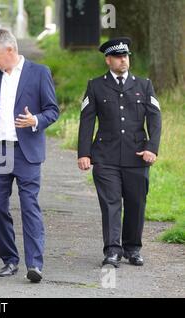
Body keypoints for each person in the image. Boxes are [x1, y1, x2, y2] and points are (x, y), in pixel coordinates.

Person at [0, 30, 59, 283]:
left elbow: (52, 110)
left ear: (10, 51)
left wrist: (35, 119)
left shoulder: (39, 72)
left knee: (29, 207)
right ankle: (9, 259)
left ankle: (34, 264)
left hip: (27, 152)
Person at [77, 37, 162, 268]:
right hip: (105, 157)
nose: (123, 60)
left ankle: (132, 248)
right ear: (108, 60)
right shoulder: (95, 86)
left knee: (136, 203)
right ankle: (113, 250)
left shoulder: (144, 85)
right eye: (118, 57)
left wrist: (151, 148)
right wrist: (84, 153)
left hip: (137, 156)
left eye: (126, 56)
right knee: (111, 203)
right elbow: (86, 121)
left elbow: (155, 119)